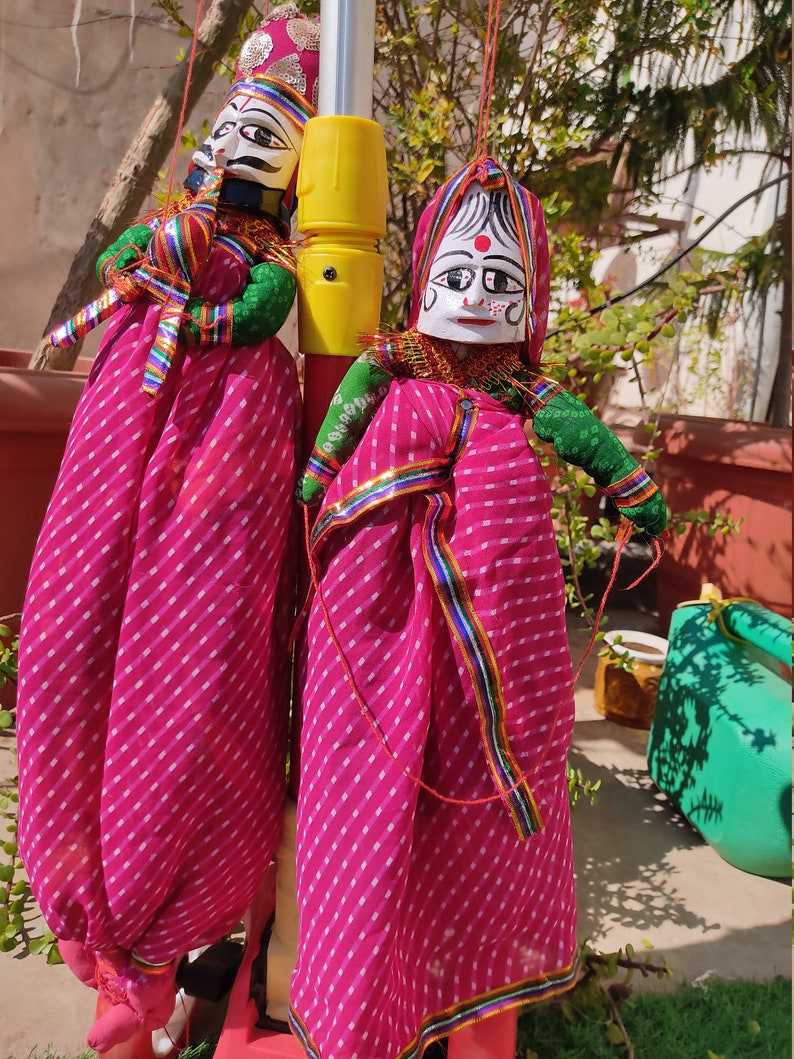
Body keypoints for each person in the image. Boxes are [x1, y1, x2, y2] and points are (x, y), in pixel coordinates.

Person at [289, 157, 666, 1058]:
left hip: (497, 653)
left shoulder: (519, 394)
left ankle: (481, 1024)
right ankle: (373, 1009)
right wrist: (314, 476)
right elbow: (342, 422)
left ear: (527, 298)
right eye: (456, 275)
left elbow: (581, 434)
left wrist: (631, 484)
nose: (473, 293)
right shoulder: (390, 365)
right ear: (424, 280)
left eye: (499, 280)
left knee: (486, 827)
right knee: (370, 811)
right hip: (375, 649)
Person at [16, 5, 319, 1050]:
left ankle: (168, 967)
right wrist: (149, 264)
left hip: (225, 440)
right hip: (128, 420)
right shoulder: (173, 230)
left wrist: (203, 317)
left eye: (267, 140)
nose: (242, 148)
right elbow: (118, 262)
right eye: (232, 129)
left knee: (191, 680)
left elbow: (264, 307)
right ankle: (119, 955)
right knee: (67, 645)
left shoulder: (271, 266)